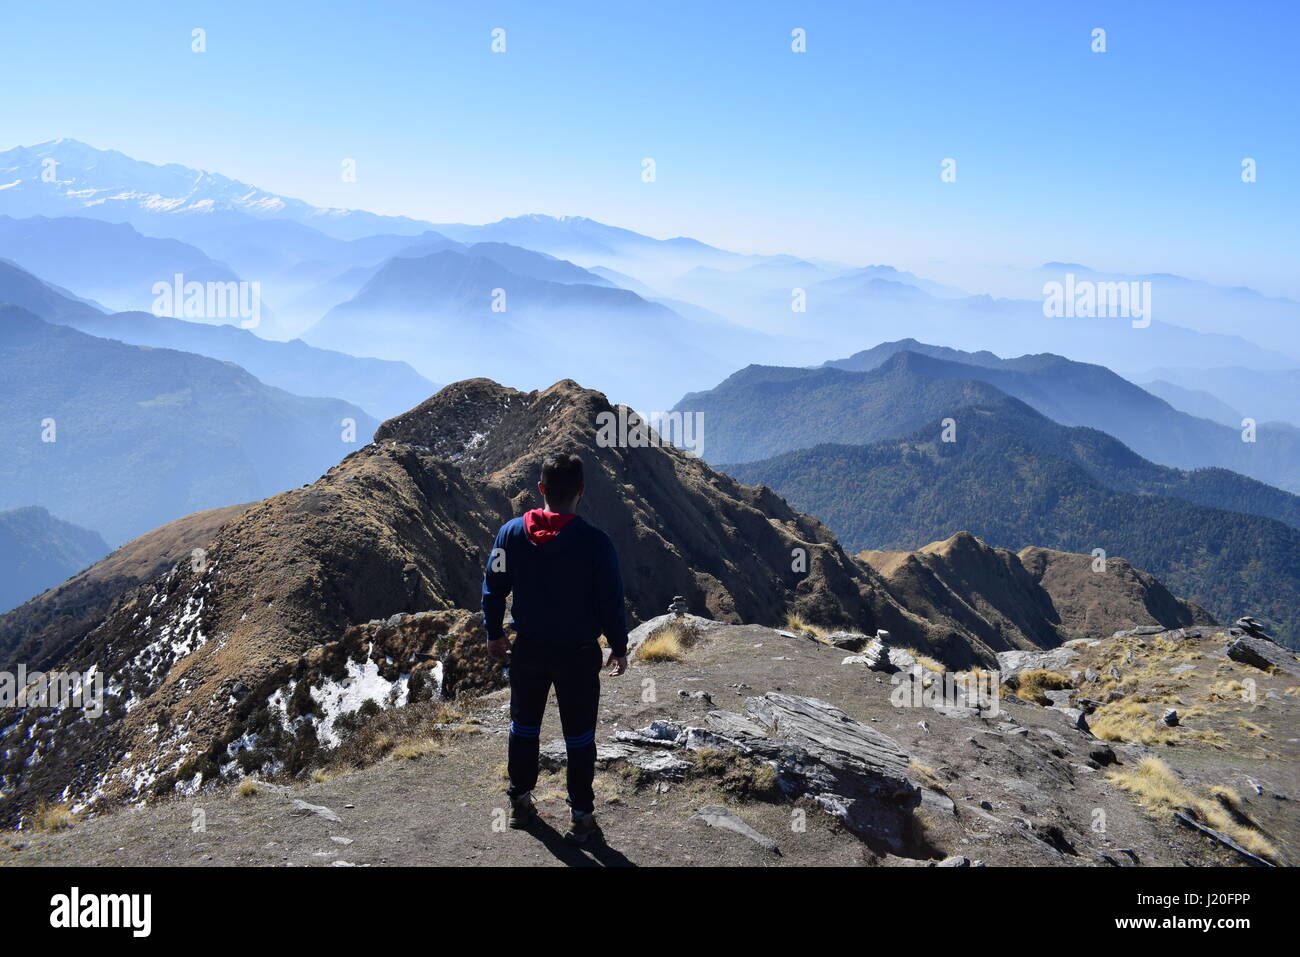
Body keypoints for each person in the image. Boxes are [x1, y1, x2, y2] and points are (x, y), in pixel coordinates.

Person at [481, 451, 629, 844]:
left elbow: (493, 588)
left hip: (528, 650)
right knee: (579, 737)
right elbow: (611, 599)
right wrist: (619, 645)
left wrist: (495, 633)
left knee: (523, 728)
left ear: (541, 489)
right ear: (581, 492)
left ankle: (520, 804)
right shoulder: (596, 544)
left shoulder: (509, 534)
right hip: (578, 653)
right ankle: (581, 818)